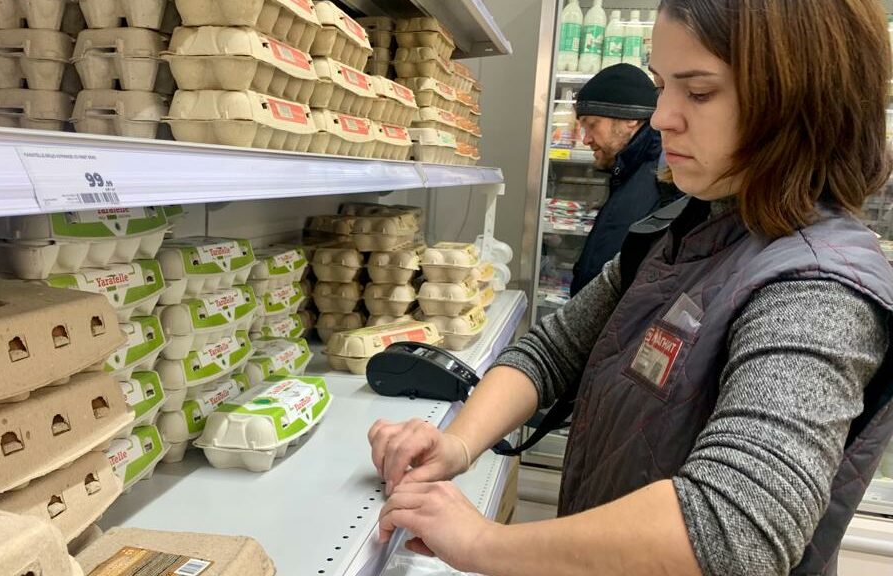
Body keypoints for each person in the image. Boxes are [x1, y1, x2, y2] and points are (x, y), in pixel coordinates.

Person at [368, 1, 893, 575]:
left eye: (698, 93)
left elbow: (733, 529)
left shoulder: (817, 288)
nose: (661, 117)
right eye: (662, 86)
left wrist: (483, 544)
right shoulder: (681, 229)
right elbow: (552, 351)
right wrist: (459, 443)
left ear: (799, 101)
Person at [569, 63, 680, 296]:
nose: (586, 139)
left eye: (592, 125)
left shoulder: (662, 178)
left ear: (631, 120)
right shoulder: (630, 171)